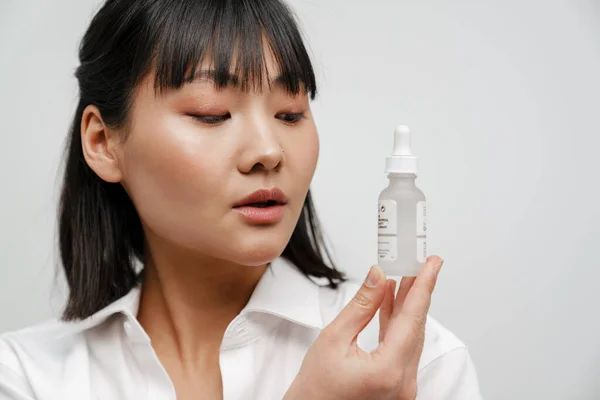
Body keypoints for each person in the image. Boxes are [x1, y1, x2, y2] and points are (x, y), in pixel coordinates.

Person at [0, 0, 482, 399]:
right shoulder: (28, 377)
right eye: (212, 114)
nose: (268, 151)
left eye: (290, 114)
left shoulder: (406, 365)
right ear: (103, 142)